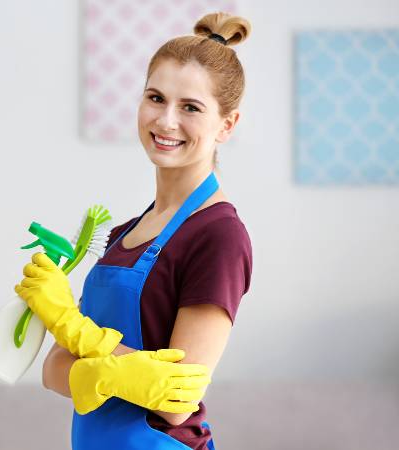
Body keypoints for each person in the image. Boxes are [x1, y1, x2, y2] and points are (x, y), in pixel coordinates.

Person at [14, 12, 254, 450]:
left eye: (191, 107)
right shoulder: (125, 233)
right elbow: (52, 370)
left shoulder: (219, 236)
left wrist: (71, 325)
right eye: (156, 97)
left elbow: (177, 400)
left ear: (227, 125)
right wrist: (98, 372)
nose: (165, 121)